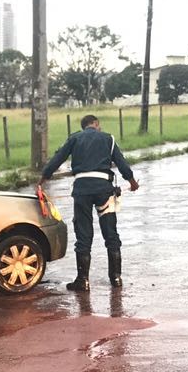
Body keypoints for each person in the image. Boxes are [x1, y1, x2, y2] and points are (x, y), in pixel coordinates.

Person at [39, 114, 140, 291]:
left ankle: (82, 280)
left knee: (84, 234)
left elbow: (57, 159)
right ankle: (116, 278)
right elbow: (121, 162)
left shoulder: (74, 138)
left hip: (82, 190)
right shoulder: (109, 139)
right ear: (96, 124)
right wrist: (132, 182)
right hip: (104, 190)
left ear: (83, 126)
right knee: (111, 233)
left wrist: (43, 180)